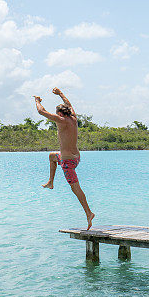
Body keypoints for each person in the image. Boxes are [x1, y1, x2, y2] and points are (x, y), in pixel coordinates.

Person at [34, 87, 95, 230]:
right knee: (52, 156)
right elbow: (69, 104)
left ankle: (88, 212)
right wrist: (60, 93)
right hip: (75, 157)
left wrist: (37, 100)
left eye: (57, 114)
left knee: (75, 188)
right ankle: (50, 182)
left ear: (60, 113)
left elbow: (41, 111)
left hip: (68, 163)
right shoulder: (73, 117)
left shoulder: (61, 120)